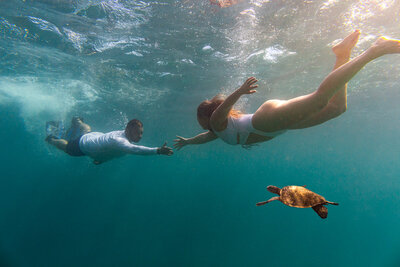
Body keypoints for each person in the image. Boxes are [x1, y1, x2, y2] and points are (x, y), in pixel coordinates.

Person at [174, 30, 400, 150]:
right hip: (278, 127)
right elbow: (203, 138)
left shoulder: (216, 121)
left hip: (266, 120)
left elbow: (220, 111)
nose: (201, 125)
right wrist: (186, 142)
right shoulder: (216, 132)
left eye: (200, 120)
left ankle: (374, 51)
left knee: (320, 100)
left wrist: (240, 91)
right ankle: (342, 54)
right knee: (336, 108)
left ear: (206, 117)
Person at [46, 117, 173, 164]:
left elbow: (111, 152)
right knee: (68, 148)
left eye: (141, 133)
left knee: (87, 131)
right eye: (137, 133)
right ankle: (51, 139)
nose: (140, 136)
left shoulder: (124, 137)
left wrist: (101, 159)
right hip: (83, 145)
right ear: (128, 130)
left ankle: (78, 121)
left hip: (94, 138)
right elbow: (135, 150)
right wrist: (158, 151)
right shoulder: (120, 140)